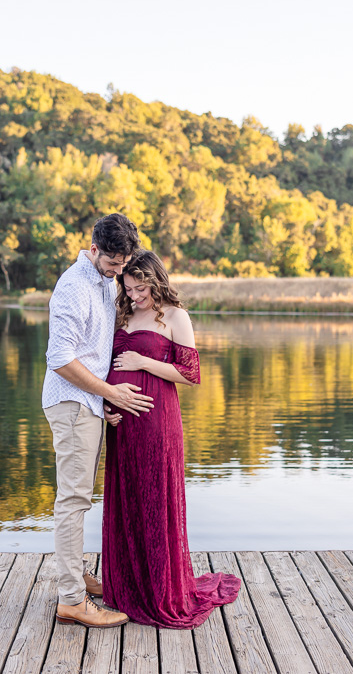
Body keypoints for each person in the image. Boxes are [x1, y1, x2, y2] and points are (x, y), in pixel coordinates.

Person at [102, 250, 240, 629]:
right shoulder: (124, 314)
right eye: (128, 289)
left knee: (154, 500)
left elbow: (190, 373)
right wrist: (107, 405)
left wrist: (142, 362)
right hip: (122, 426)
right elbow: (106, 366)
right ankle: (126, 587)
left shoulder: (176, 316)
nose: (134, 296)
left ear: (155, 280)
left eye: (140, 288)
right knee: (126, 502)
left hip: (156, 422)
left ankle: (158, 589)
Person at [42, 213, 154, 628]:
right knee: (72, 501)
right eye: (111, 262)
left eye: (123, 263)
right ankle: (71, 599)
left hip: (88, 401)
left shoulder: (107, 281)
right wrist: (108, 391)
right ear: (93, 249)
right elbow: (60, 360)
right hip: (71, 404)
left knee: (81, 497)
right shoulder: (73, 288)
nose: (118, 270)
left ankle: (77, 577)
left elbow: (94, 350)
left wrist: (103, 393)